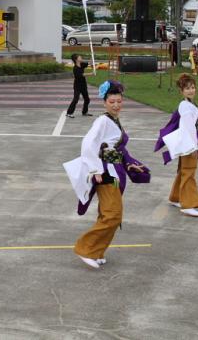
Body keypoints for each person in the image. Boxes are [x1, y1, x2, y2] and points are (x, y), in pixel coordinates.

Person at [63, 81, 150, 269]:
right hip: (106, 172)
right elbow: (88, 143)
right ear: (105, 102)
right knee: (113, 214)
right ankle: (85, 249)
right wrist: (95, 170)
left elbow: (119, 148)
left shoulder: (114, 120)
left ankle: (97, 251)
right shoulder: (102, 120)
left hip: (115, 170)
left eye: (119, 101)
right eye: (112, 101)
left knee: (107, 213)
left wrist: (131, 164)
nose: (116, 105)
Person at [155, 73, 198, 217]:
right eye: (187, 88)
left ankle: (175, 197)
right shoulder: (185, 105)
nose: (191, 90)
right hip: (189, 144)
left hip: (188, 142)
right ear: (181, 91)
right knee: (189, 172)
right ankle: (187, 205)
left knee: (183, 170)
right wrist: (193, 147)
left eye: (193, 87)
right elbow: (187, 127)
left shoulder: (189, 104)